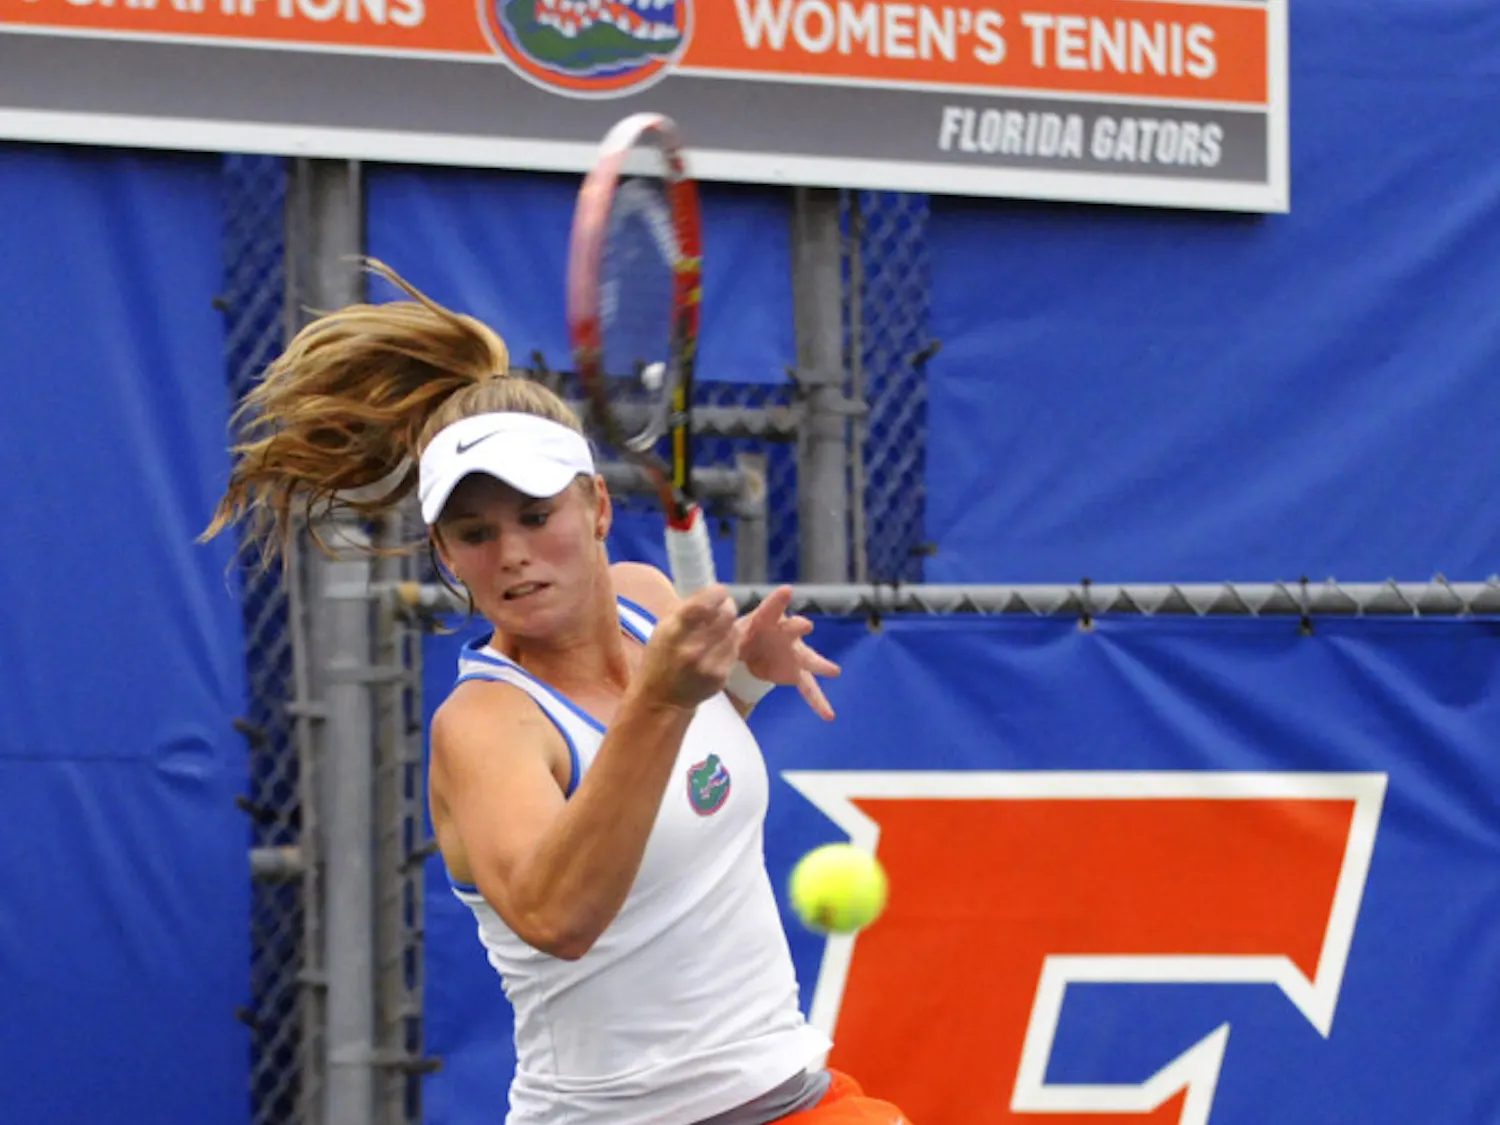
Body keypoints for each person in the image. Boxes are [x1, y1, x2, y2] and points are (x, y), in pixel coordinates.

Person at [204, 262, 914, 1125]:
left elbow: (677, 781)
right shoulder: (486, 725)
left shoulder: (649, 599)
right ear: (445, 554)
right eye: (475, 532)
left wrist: (743, 680)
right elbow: (558, 916)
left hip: (795, 1096)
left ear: (597, 508)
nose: (511, 553)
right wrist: (661, 702)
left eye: (536, 516)